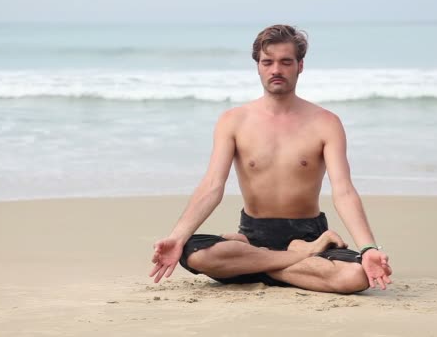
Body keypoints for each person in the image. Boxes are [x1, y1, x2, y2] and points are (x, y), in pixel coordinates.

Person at [149, 24, 392, 293]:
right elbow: (212, 186)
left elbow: (343, 191)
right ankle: (300, 257)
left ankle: (253, 265)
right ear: (258, 66)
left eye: (286, 62)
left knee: (355, 277)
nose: (276, 70)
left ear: (300, 66)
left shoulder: (326, 123)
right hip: (254, 235)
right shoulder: (234, 121)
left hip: (306, 232)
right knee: (192, 252)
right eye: (268, 62)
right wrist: (177, 237)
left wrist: (369, 247)